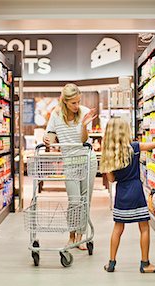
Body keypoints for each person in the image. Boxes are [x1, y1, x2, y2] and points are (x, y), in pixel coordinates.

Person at [100, 116, 155, 273]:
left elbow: (112, 180)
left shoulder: (108, 156)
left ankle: (111, 263)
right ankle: (145, 264)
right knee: (144, 228)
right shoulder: (134, 147)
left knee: (118, 228)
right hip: (136, 191)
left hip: (121, 193)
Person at [43, 83, 98, 250]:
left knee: (84, 201)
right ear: (64, 102)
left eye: (78, 101)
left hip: (87, 160)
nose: (77, 105)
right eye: (73, 102)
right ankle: (71, 236)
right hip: (70, 162)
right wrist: (47, 140)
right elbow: (51, 135)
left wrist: (84, 125)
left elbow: (83, 140)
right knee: (74, 201)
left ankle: (80, 236)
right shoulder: (56, 115)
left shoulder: (84, 112)